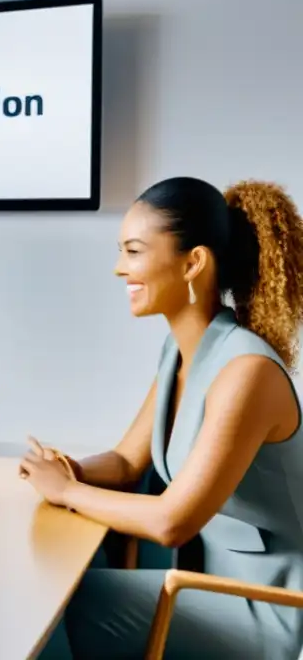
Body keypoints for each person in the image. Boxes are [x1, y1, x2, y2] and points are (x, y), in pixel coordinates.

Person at [22, 177, 303, 659]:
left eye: (133, 251)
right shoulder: (180, 349)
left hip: (266, 608)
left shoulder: (247, 372)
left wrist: (68, 492)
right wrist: (67, 469)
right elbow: (128, 462)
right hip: (203, 584)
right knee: (60, 581)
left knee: (59, 605)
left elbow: (173, 523)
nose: (118, 269)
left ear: (193, 262)